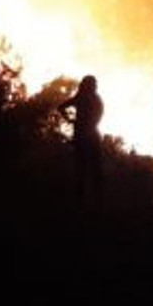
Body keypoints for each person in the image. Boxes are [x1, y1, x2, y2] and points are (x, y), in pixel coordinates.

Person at [59, 74, 105, 208]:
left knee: (81, 167)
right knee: (93, 168)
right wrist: (88, 124)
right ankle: (95, 201)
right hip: (91, 136)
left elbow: (61, 107)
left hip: (81, 135)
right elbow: (99, 116)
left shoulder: (81, 97)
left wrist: (71, 120)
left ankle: (82, 200)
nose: (95, 86)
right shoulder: (95, 99)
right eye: (94, 84)